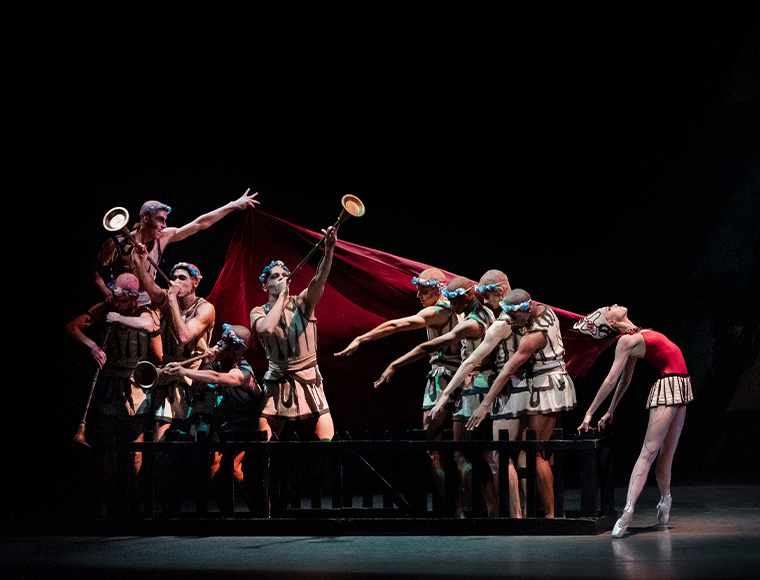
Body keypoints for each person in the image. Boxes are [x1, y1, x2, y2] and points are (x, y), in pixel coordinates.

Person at [334, 267, 460, 507]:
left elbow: (396, 326)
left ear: (439, 289)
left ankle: (454, 509)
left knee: (432, 446)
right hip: (463, 376)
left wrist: (361, 338)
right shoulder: (462, 310)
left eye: (423, 291)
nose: (418, 296)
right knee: (464, 448)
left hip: (445, 377)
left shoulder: (439, 312)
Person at [375, 276, 498, 517]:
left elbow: (434, 349)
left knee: (467, 452)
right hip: (470, 381)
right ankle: (473, 511)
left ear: (468, 296)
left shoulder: (471, 322)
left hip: (476, 383)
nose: (451, 305)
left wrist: (394, 363)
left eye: (455, 300)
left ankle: (471, 513)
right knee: (469, 452)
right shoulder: (476, 313)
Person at [458, 289, 577, 519]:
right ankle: (546, 512)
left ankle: (552, 515)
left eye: (514, 317)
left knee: (535, 452)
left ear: (526, 309)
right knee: (532, 451)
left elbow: (507, 370)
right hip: (547, 383)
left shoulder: (533, 336)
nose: (511, 322)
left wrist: (484, 405)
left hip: (547, 386)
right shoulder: (543, 309)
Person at [576, 304, 692, 538]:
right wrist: (590, 412)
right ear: (610, 323)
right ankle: (628, 511)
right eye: (610, 308)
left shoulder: (635, 335)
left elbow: (625, 382)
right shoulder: (624, 341)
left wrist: (610, 411)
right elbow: (612, 380)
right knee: (649, 452)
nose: (615, 305)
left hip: (681, 385)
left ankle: (665, 499)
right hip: (667, 387)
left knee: (667, 454)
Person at [429, 270, 526, 518]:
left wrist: (445, 394)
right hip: (498, 384)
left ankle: (473, 512)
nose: (485, 300)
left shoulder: (488, 320)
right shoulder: (507, 315)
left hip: (483, 385)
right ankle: (504, 513)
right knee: (496, 455)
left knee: (474, 453)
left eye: (489, 294)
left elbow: (472, 360)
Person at [65, 272, 157, 514]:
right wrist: (93, 346)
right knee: (109, 449)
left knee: (135, 453)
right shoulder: (104, 307)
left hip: (136, 385)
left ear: (131, 296)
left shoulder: (142, 309)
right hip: (110, 383)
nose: (114, 300)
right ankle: (112, 508)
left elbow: (149, 325)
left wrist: (119, 319)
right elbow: (72, 327)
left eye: (119, 296)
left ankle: (134, 507)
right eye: (113, 294)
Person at [163, 323, 267, 513]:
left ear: (237, 349)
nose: (218, 343)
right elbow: (198, 386)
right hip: (226, 424)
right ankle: (226, 516)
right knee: (214, 471)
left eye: (225, 342)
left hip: (247, 427)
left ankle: (260, 513)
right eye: (220, 339)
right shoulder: (218, 363)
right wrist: (205, 363)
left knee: (236, 472)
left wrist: (184, 370)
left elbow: (219, 378)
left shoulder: (243, 370)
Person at [249, 226, 338, 442]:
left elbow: (319, 280)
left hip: (308, 380)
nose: (281, 279)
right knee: (266, 449)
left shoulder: (303, 302)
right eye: (275, 276)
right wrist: (280, 297)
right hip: (277, 382)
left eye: (284, 275)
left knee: (326, 446)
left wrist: (328, 251)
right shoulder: (258, 311)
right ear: (265, 284)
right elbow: (266, 329)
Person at [92, 189, 260, 302]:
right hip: (122, 302)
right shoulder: (116, 243)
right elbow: (94, 273)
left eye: (166, 220)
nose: (165, 225)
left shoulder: (163, 237)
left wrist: (231, 206)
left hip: (149, 302)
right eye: (160, 219)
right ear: (144, 218)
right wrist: (108, 294)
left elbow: (200, 224)